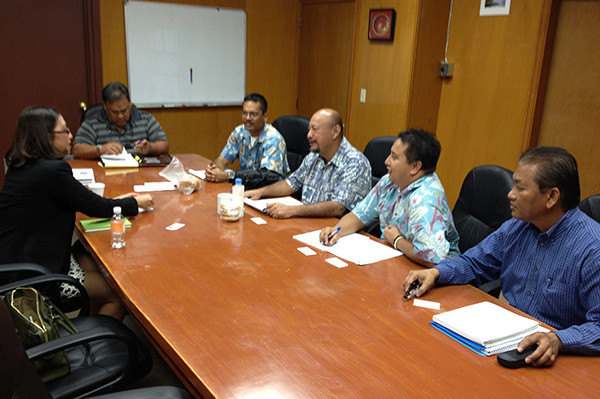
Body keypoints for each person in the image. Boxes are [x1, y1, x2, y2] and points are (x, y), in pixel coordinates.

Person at [404, 147, 600, 366]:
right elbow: (474, 262)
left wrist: (558, 339)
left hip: (557, 360)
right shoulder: (517, 227)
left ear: (552, 196)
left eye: (520, 187)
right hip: (506, 344)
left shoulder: (593, 249)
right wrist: (436, 272)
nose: (510, 194)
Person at [0, 107, 154, 320]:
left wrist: (120, 201)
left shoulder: (21, 166)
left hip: (20, 262)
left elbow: (88, 202)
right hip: (38, 277)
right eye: (65, 131)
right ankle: (98, 346)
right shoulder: (53, 172)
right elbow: (99, 209)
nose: (71, 136)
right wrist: (135, 203)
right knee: (120, 295)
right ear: (47, 137)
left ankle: (89, 328)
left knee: (103, 268)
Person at [319, 129, 459, 266]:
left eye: (394, 157)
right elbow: (359, 215)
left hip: (434, 276)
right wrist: (336, 231)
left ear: (415, 167)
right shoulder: (390, 181)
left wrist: (397, 240)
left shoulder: (426, 201)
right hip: (392, 259)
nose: (386, 161)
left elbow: (432, 258)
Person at [245, 108, 371, 218]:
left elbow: (337, 207)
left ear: (335, 131)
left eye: (315, 129)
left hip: (334, 233)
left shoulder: (355, 163)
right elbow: (290, 184)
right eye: (309, 129)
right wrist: (260, 192)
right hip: (306, 222)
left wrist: (292, 211)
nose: (309, 135)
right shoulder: (314, 156)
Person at [205, 93, 290, 183]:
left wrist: (228, 176)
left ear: (265, 117)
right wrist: (214, 171)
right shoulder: (239, 132)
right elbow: (222, 159)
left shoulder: (273, 139)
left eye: (253, 114)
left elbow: (266, 178)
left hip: (272, 191)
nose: (247, 118)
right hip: (247, 186)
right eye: (245, 113)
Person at [72, 81, 169, 159]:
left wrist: (150, 148)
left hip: (139, 170)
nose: (120, 116)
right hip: (105, 172)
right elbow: (77, 150)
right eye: (114, 112)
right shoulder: (92, 123)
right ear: (105, 106)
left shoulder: (146, 119)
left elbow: (164, 145)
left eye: (124, 110)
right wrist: (100, 149)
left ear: (129, 103)